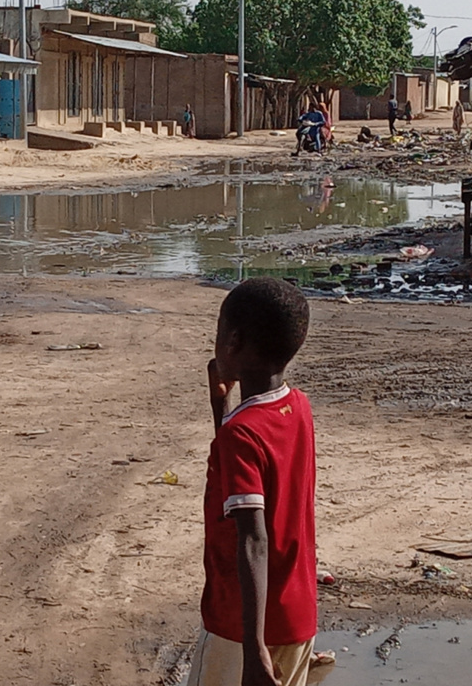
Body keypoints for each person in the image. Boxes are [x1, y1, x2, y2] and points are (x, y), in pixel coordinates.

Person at [191, 277, 317, 686]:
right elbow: (243, 474)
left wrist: (253, 649)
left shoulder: (241, 434)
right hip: (296, 617)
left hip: (242, 628)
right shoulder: (297, 407)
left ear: (232, 342)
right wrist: (221, 407)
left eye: (218, 333)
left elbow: (253, 539)